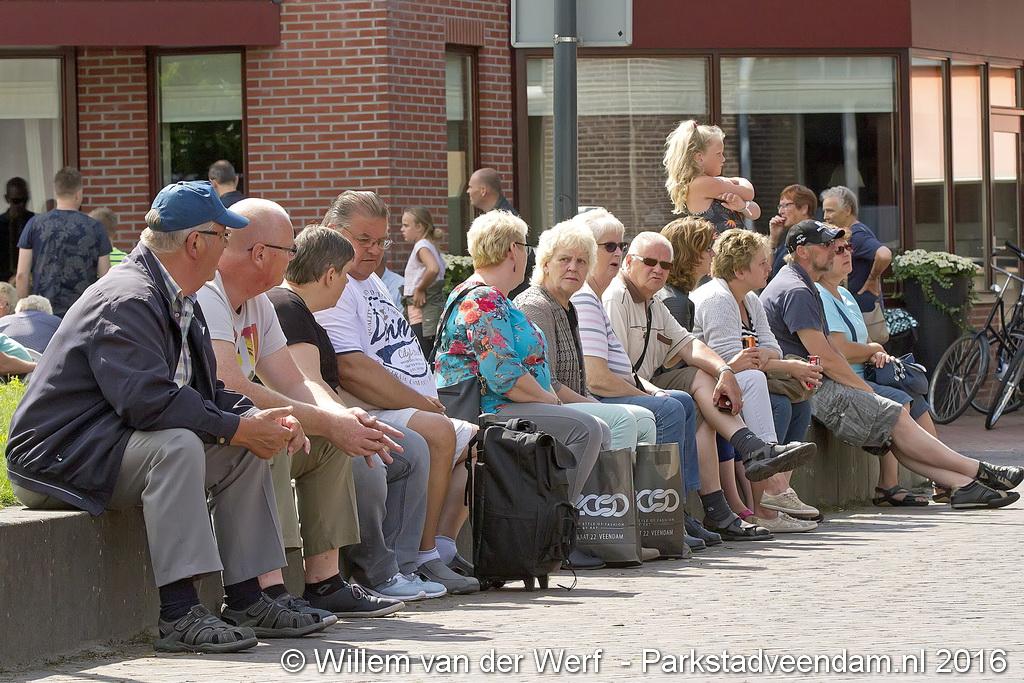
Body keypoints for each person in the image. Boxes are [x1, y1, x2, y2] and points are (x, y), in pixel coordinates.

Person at [4, 180, 328, 654]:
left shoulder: (178, 294)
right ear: (196, 242)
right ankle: (179, 613)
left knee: (245, 448)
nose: (228, 246)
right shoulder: (128, 297)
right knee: (178, 444)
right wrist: (237, 427)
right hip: (56, 461)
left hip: (109, 444)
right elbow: (147, 402)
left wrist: (260, 419)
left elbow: (205, 391)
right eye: (224, 236)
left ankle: (248, 599)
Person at [196, 197, 416, 615]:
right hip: (210, 435)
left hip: (229, 431)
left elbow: (294, 381)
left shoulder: (259, 302)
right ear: (261, 254)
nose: (295, 259)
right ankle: (269, 591)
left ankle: (324, 582)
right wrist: (323, 420)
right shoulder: (211, 295)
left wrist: (339, 419)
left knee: (328, 441)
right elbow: (231, 385)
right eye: (290, 249)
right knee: (274, 437)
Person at [760, 220, 1023, 509]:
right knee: (893, 414)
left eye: (838, 245)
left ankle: (963, 484)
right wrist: (866, 391)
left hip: (811, 381)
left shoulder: (801, 284)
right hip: (809, 385)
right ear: (802, 252)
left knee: (894, 422)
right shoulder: (797, 289)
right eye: (826, 245)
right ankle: (978, 471)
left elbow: (828, 354)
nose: (835, 251)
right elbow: (827, 357)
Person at [604, 231, 819, 540]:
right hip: (620, 389)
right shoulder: (618, 297)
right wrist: (733, 368)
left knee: (715, 388)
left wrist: (724, 371)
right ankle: (734, 495)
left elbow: (689, 345)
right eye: (650, 262)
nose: (658, 270)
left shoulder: (655, 301)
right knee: (702, 399)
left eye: (665, 265)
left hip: (654, 383)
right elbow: (619, 371)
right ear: (628, 262)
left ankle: (737, 483)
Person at [317, 190, 480, 595]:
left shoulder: (370, 279)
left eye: (381, 241)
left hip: (406, 403)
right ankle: (421, 557)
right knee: (438, 432)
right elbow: (351, 369)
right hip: (367, 407)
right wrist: (421, 402)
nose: (374, 251)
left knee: (479, 442)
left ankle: (441, 547)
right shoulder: (335, 284)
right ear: (335, 232)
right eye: (364, 240)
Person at [268, 226, 433, 606]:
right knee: (367, 460)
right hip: (302, 429)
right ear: (330, 274)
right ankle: (375, 572)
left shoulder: (304, 311)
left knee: (410, 449)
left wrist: (353, 416)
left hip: (318, 420)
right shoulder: (286, 306)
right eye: (344, 274)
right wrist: (345, 422)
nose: (347, 284)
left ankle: (401, 567)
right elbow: (305, 383)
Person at [434, 209, 608, 568]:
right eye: (525, 247)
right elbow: (503, 375)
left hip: (505, 405)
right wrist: (550, 400)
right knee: (585, 429)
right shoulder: (483, 299)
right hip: (490, 409)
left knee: (596, 428)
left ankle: (547, 530)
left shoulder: (493, 298)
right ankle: (546, 533)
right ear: (513, 250)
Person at [571, 208, 718, 551]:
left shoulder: (644, 301)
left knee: (683, 400)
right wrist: (650, 396)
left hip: (610, 390)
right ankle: (660, 516)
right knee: (669, 408)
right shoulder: (603, 298)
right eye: (609, 246)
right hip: (590, 397)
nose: (658, 270)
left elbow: (682, 346)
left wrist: (724, 371)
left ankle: (681, 508)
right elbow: (598, 378)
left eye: (619, 245)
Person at [690, 228, 823, 533]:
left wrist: (765, 358)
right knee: (766, 392)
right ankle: (771, 498)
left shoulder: (750, 299)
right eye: (762, 263)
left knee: (799, 406)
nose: (769, 268)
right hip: (710, 386)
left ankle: (775, 499)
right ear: (739, 270)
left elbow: (772, 347)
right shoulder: (717, 299)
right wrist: (778, 364)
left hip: (736, 383)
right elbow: (729, 360)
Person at [513, 219, 657, 453]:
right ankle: (606, 479)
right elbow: (548, 383)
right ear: (546, 264)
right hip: (544, 407)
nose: (573, 267)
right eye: (564, 259)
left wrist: (593, 403)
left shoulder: (569, 307)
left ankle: (635, 479)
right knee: (622, 420)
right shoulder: (536, 306)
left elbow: (580, 382)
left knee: (645, 419)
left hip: (571, 404)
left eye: (581, 261)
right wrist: (596, 405)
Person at [816, 234, 933, 507]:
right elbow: (840, 349)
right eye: (839, 250)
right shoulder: (820, 295)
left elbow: (865, 340)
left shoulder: (846, 295)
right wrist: (873, 350)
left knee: (917, 399)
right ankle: (889, 484)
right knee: (898, 401)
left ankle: (940, 482)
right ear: (821, 258)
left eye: (848, 248)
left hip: (868, 372)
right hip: (847, 380)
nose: (847, 253)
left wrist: (877, 352)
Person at [16, 167, 111, 316]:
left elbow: (22, 275)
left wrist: (24, 312)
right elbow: (105, 277)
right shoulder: (95, 228)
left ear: (56, 192)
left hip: (42, 312)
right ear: (79, 193)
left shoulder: (34, 224)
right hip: (82, 313)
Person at [663, 120, 761, 234]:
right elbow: (749, 193)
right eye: (718, 154)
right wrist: (742, 180)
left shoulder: (713, 182)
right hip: (720, 245)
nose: (723, 159)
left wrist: (742, 206)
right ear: (699, 157)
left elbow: (755, 213)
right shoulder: (701, 184)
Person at [820, 186, 892, 320]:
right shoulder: (856, 231)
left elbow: (884, 255)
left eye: (830, 211)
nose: (825, 216)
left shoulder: (856, 234)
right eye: (824, 211)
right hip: (859, 310)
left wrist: (872, 279)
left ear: (848, 210)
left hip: (864, 312)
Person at [400, 207, 447, 355]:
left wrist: (420, 289)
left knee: (423, 354)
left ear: (419, 226)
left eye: (406, 225)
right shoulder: (430, 245)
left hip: (422, 312)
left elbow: (433, 268)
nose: (402, 229)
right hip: (428, 310)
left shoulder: (421, 245)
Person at [768, 184, 817, 279]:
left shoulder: (814, 238)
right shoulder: (790, 239)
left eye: (786, 205)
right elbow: (765, 270)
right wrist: (773, 239)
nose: (780, 211)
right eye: (780, 206)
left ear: (804, 208)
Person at [0, 177, 33, 281]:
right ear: (7, 199)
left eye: (25, 200)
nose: (21, 205)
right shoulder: (1, 224)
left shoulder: (35, 222)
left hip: (30, 279)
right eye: (16, 201)